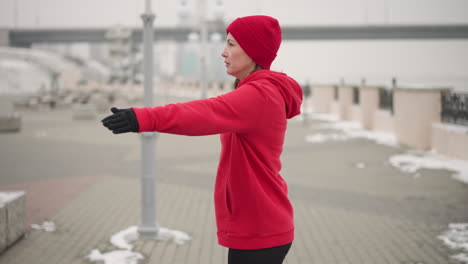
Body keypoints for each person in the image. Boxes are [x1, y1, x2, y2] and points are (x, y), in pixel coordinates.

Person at [102, 15, 303, 264]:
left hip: (260, 226)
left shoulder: (259, 95)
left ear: (253, 51)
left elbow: (204, 112)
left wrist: (143, 118)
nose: (223, 52)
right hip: (258, 224)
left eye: (231, 44)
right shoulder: (257, 91)